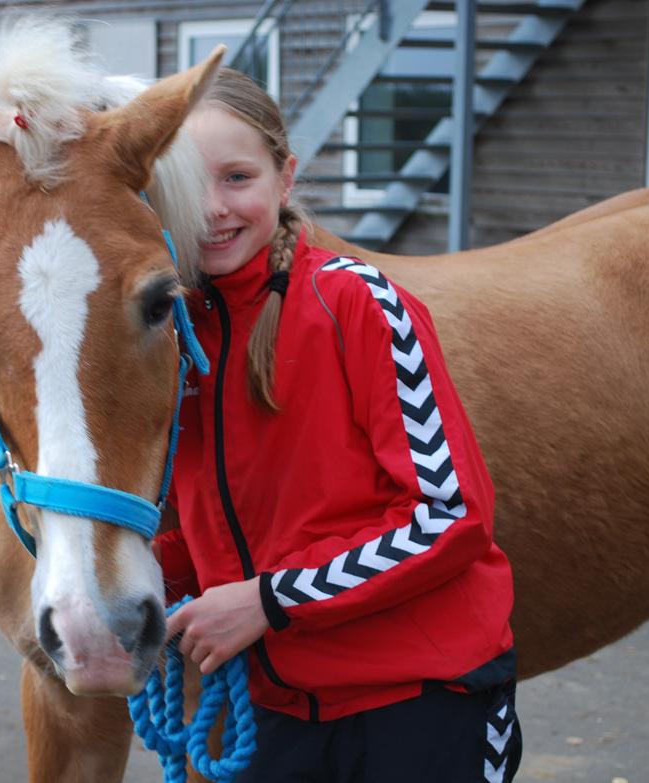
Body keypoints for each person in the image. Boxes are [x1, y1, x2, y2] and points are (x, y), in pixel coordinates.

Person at [157, 68, 522, 783]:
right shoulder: (172, 335)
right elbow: (208, 525)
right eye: (184, 187)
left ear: (284, 178)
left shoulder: (357, 303)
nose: (210, 210)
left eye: (236, 177)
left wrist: (270, 600)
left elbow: (451, 514)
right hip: (276, 709)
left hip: (419, 698)